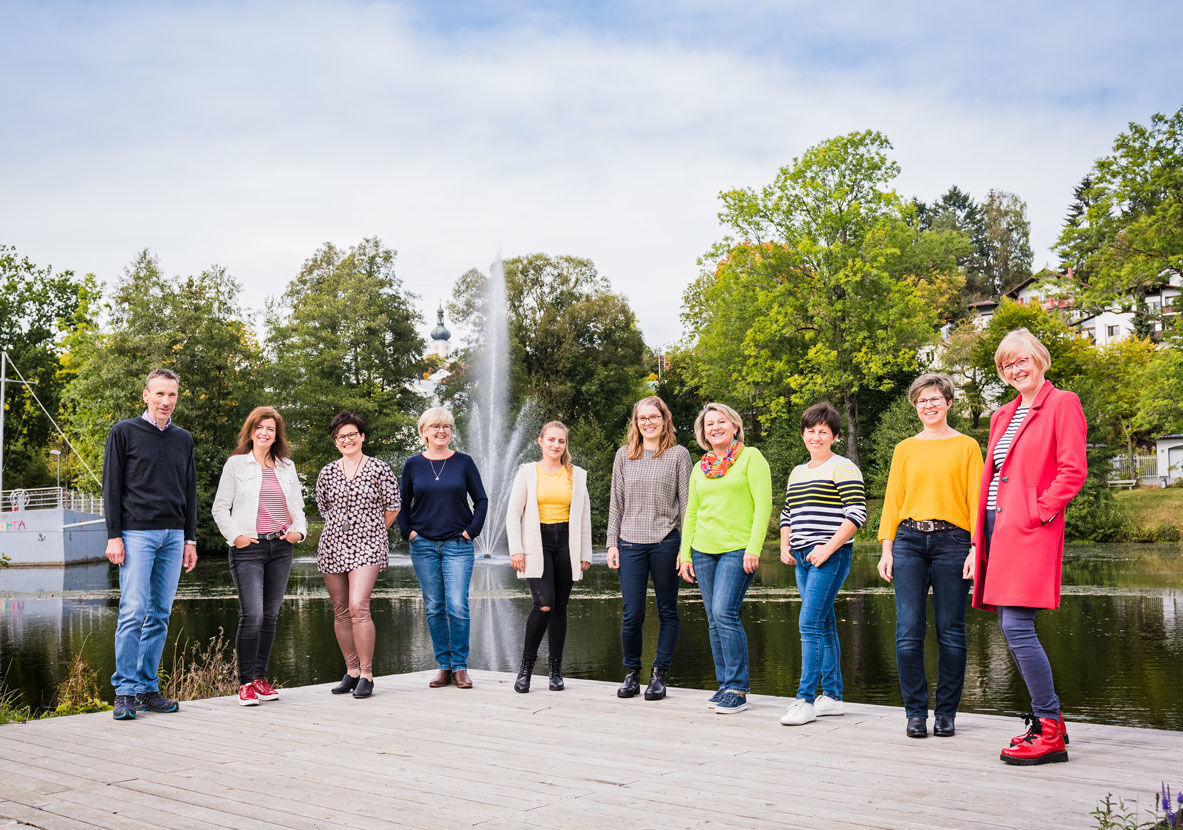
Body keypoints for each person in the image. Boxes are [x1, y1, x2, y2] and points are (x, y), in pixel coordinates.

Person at [974, 328, 1087, 766]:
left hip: (1028, 525)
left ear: (1039, 358)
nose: (1015, 369)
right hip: (995, 526)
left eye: (1021, 360)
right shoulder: (1003, 414)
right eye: (1007, 365)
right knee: (1009, 624)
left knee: (1017, 627)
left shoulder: (1063, 403)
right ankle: (1047, 720)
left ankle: (1050, 729)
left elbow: (1073, 470)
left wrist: (1038, 511)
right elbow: (995, 475)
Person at [876, 375, 983, 738]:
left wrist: (975, 549)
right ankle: (916, 713)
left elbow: (977, 501)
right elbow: (893, 499)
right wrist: (887, 547)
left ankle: (947, 713)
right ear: (915, 407)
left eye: (936, 398)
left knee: (951, 632)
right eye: (922, 401)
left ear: (949, 402)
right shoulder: (905, 448)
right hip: (908, 540)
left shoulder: (967, 446)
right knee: (908, 632)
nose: (929, 405)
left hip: (953, 541)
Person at [102, 368, 198, 721]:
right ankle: (124, 691)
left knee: (159, 614)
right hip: (136, 533)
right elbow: (111, 486)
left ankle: (146, 688)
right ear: (146, 396)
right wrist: (114, 535)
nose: (165, 401)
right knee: (133, 611)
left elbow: (189, 490)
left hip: (173, 536)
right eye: (159, 394)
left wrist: (190, 538)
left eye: (171, 395)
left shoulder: (183, 439)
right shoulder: (124, 432)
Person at [677, 403, 772, 714]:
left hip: (737, 549)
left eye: (721, 422)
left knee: (724, 612)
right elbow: (691, 513)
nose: (714, 427)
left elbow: (763, 506)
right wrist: (685, 552)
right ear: (703, 433)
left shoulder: (751, 458)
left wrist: (754, 548)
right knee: (713, 619)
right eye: (708, 424)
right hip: (703, 550)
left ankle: (738, 689)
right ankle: (723, 685)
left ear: (734, 427)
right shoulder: (699, 467)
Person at [778, 402, 867, 727]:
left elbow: (856, 515)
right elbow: (788, 514)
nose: (816, 437)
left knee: (809, 625)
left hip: (831, 555)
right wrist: (786, 545)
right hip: (802, 557)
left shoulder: (843, 467)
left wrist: (827, 549)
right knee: (823, 624)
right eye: (811, 431)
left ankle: (804, 700)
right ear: (803, 433)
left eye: (823, 432)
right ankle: (832, 696)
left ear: (834, 436)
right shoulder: (798, 472)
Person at [212, 406, 308, 707]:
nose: (265, 433)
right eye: (260, 428)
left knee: (270, 616)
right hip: (248, 549)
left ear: (277, 434)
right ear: (250, 431)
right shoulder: (236, 464)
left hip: (281, 547)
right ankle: (245, 684)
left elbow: (299, 507)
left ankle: (260, 679)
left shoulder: (286, 466)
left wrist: (299, 533)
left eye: (271, 429)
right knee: (251, 615)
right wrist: (236, 537)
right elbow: (219, 508)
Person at [606, 396, 691, 701]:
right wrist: (611, 543)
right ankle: (631, 674)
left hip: (666, 542)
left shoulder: (679, 455)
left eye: (654, 417)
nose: (648, 422)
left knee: (668, 610)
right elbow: (616, 502)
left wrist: (687, 549)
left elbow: (687, 505)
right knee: (632, 613)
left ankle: (659, 674)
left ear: (664, 419)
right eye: (642, 418)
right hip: (629, 543)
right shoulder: (624, 455)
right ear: (636, 423)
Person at [397, 407, 488, 689]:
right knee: (435, 606)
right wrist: (407, 532)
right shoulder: (413, 465)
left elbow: (481, 500)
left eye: (446, 426)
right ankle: (444, 666)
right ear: (424, 431)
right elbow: (402, 503)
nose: (441, 431)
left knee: (458, 605)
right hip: (423, 544)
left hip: (457, 544)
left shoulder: (464, 462)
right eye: (435, 427)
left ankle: (460, 667)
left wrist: (471, 531)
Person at [315, 411, 401, 699]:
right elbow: (323, 508)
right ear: (335, 441)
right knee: (340, 608)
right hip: (333, 544)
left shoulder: (379, 468)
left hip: (368, 544)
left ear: (362, 436)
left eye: (352, 434)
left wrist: (374, 531)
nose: (347, 439)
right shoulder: (327, 472)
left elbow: (393, 506)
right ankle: (351, 672)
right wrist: (342, 528)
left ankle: (367, 674)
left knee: (358, 606)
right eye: (341, 436)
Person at [506, 421, 593, 692]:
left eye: (562, 441)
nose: (556, 445)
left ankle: (555, 670)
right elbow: (513, 514)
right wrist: (516, 549)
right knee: (543, 605)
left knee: (559, 608)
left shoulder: (576, 475)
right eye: (552, 440)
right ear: (540, 441)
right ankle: (526, 670)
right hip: (537, 542)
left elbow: (584, 516)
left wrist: (585, 552)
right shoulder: (527, 472)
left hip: (566, 542)